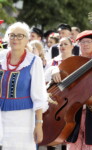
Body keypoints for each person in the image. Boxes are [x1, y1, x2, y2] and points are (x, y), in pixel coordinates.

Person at [0, 22, 48, 150]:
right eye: (12, 35)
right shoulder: (1, 58)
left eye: (20, 36)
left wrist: (39, 124)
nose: (15, 39)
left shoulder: (33, 61)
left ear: (27, 39)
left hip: (23, 119)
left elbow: (39, 95)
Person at [44, 37, 74, 150]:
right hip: (54, 99)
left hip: (70, 100)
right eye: (60, 45)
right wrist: (53, 69)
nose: (63, 47)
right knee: (51, 131)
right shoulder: (53, 61)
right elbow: (44, 77)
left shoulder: (76, 61)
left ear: (72, 46)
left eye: (65, 44)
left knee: (66, 132)